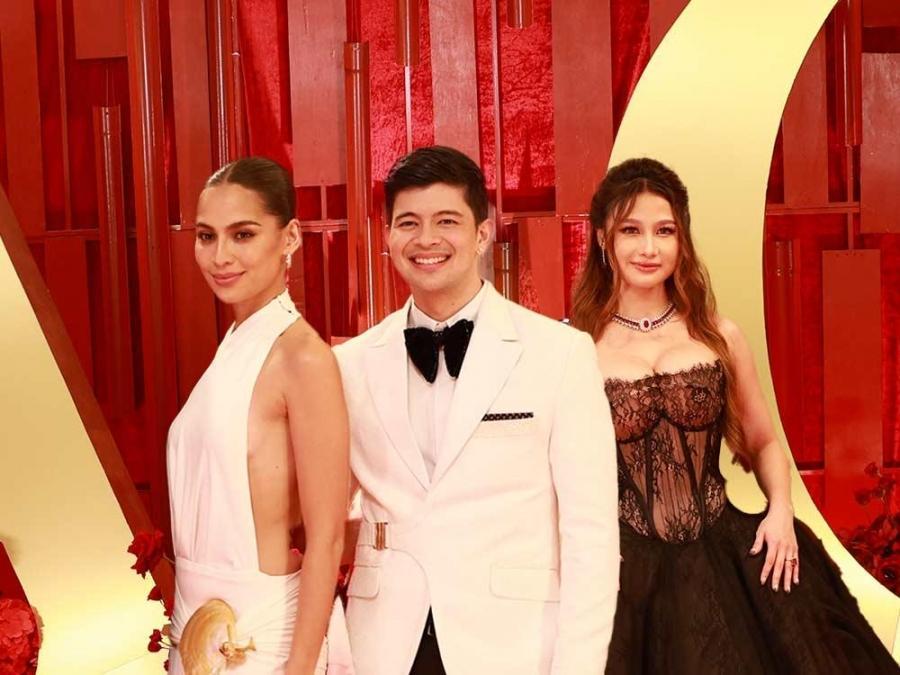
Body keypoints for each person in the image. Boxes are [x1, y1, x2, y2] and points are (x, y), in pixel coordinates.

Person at [571, 157, 899, 674]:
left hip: (725, 555)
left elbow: (763, 440)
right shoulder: (574, 348)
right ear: (602, 239)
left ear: (683, 241)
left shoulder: (717, 335)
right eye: (631, 230)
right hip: (624, 570)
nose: (649, 247)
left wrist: (781, 511)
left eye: (664, 231)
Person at [334, 145, 619, 675]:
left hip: (513, 646)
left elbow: (592, 535)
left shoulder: (559, 354)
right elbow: (324, 515)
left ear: (483, 233)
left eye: (447, 221)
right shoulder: (348, 364)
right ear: (387, 236)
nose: (427, 239)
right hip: (384, 645)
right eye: (408, 223)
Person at [166, 157, 352, 674]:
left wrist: (299, 667)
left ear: (289, 237)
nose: (220, 256)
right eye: (206, 236)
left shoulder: (303, 358)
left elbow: (327, 538)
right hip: (195, 634)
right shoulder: (233, 345)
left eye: (243, 235)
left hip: (266, 643)